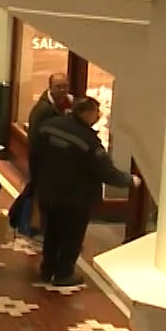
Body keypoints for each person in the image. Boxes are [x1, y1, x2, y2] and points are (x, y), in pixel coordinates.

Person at [31, 97, 138, 287]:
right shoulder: (88, 141)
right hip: (75, 198)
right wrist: (129, 180)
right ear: (87, 113)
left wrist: (37, 181)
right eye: (96, 112)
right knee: (72, 236)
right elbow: (105, 170)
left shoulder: (49, 126)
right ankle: (64, 274)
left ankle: (47, 269)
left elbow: (35, 155)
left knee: (52, 232)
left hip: (49, 191)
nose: (98, 116)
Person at [12, 72, 74, 236]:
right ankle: (34, 225)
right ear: (50, 87)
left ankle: (37, 226)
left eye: (65, 86)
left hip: (53, 163)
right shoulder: (43, 111)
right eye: (59, 86)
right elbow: (36, 142)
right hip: (45, 163)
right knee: (40, 195)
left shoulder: (66, 104)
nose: (63, 90)